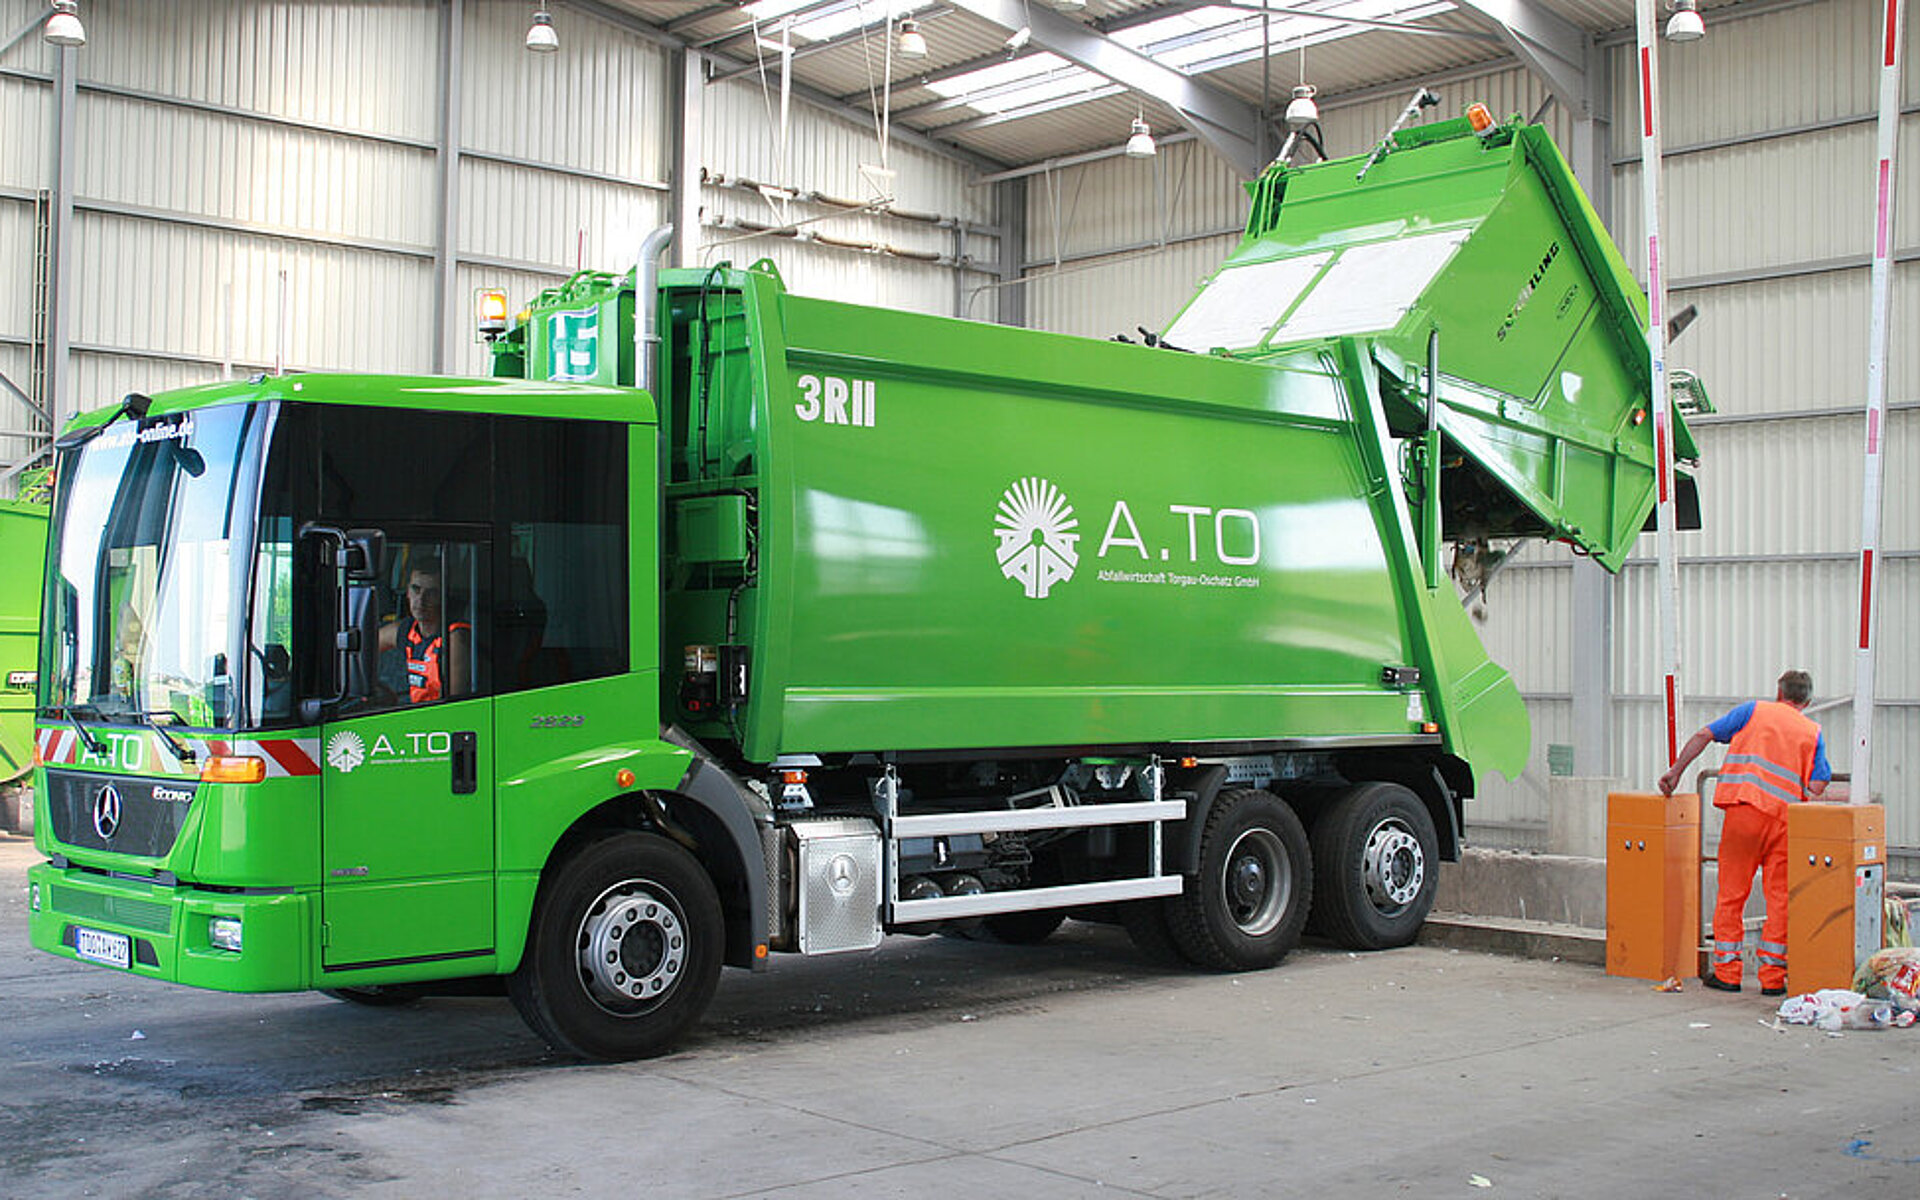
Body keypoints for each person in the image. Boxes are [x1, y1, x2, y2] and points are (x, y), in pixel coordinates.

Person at [1658, 669, 1831, 996]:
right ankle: (1772, 980)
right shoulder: (1813, 731)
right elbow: (1818, 784)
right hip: (1786, 822)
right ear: (1807, 701)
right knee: (1780, 898)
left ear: (1778, 692)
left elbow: (1703, 736)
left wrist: (1676, 772)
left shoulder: (1753, 711)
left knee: (1732, 892)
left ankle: (1728, 972)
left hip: (1745, 812)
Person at [378, 555, 471, 704]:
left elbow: (455, 706)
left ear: (443, 596)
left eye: (432, 592)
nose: (421, 600)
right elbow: (364, 647)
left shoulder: (455, 638)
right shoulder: (408, 630)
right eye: (416, 589)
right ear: (407, 592)